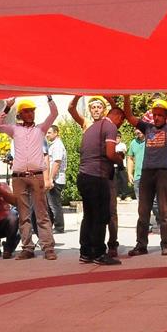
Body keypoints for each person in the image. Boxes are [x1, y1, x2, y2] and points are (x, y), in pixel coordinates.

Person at [0, 96, 59, 260]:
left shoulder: (40, 129)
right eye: (26, 112)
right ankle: (27, 248)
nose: (30, 114)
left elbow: (54, 114)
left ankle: (48, 247)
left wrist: (49, 98)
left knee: (41, 213)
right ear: (20, 115)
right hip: (19, 177)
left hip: (36, 175)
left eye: (32, 111)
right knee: (23, 214)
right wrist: (7, 107)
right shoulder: (15, 130)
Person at [124, 95, 167, 256]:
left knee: (164, 210)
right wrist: (126, 96)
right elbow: (129, 116)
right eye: (155, 114)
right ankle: (141, 245)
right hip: (147, 173)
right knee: (143, 211)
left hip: (163, 172)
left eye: (160, 115)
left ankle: (165, 244)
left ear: (166, 116)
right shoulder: (147, 128)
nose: (157, 117)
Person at [72, 95, 123, 265]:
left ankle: (85, 252)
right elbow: (110, 153)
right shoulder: (110, 126)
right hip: (97, 177)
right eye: (121, 121)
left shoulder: (92, 128)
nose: (120, 125)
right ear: (118, 117)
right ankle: (99, 253)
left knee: (89, 215)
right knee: (101, 216)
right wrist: (119, 160)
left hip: (84, 176)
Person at [45, 125, 67, 234]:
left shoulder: (57, 146)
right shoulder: (53, 145)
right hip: (54, 178)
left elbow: (56, 163)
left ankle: (59, 227)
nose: (47, 135)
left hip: (56, 179)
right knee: (50, 205)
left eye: (49, 132)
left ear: (56, 133)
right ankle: (50, 226)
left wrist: (50, 179)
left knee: (54, 204)